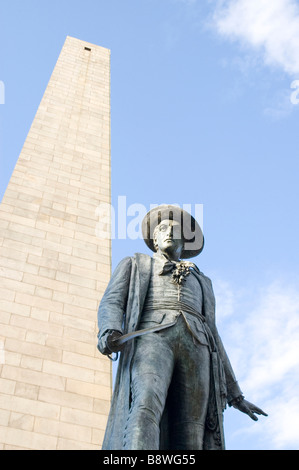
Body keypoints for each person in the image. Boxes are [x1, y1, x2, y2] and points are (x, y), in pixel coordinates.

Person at [97, 205, 267, 450]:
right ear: (154, 239)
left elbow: (214, 335)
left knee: (193, 426)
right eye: (162, 229)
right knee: (145, 404)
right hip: (151, 337)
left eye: (174, 230)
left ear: (184, 241)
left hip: (198, 345)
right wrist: (110, 329)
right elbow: (112, 300)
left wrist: (235, 394)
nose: (167, 233)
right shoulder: (135, 264)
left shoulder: (203, 282)